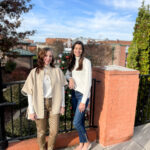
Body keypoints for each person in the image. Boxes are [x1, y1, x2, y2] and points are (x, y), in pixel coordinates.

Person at [21, 48, 67, 150]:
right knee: (41, 131)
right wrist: (31, 111)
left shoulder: (57, 71)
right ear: (41, 57)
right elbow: (29, 92)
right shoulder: (34, 72)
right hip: (39, 104)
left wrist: (62, 105)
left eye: (50, 56)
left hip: (54, 103)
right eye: (45, 56)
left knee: (54, 131)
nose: (48, 58)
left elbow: (62, 88)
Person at [66, 41, 92, 150]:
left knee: (76, 122)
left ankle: (87, 142)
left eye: (80, 48)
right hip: (74, 94)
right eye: (76, 48)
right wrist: (70, 78)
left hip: (83, 96)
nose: (78, 50)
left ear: (82, 50)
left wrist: (83, 101)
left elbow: (88, 82)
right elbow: (67, 73)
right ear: (73, 49)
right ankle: (82, 143)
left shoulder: (86, 62)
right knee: (80, 121)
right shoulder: (71, 61)